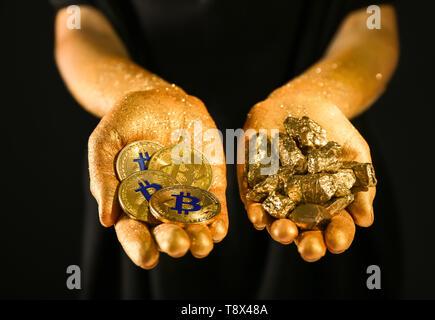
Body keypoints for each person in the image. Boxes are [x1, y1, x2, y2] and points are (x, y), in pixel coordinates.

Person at [51, 0, 399, 299]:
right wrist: (128, 92)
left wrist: (324, 92)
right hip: (148, 148)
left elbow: (371, 21)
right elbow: (80, 22)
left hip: (311, 132)